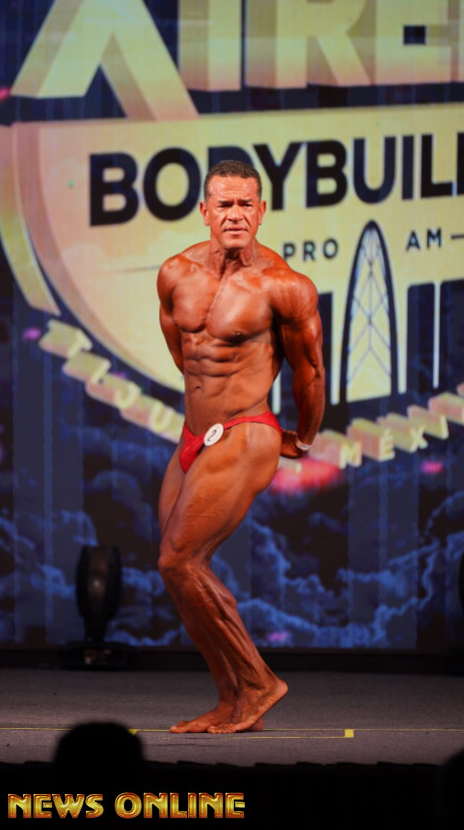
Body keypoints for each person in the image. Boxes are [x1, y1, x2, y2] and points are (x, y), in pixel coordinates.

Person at [157, 160, 325, 734]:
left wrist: (303, 436)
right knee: (181, 571)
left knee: (178, 559)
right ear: (205, 211)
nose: (235, 215)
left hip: (247, 429)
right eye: (224, 205)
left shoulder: (284, 286)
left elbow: (309, 374)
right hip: (194, 436)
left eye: (245, 204)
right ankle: (232, 700)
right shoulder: (175, 273)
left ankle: (259, 684)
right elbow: (184, 353)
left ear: (261, 211)